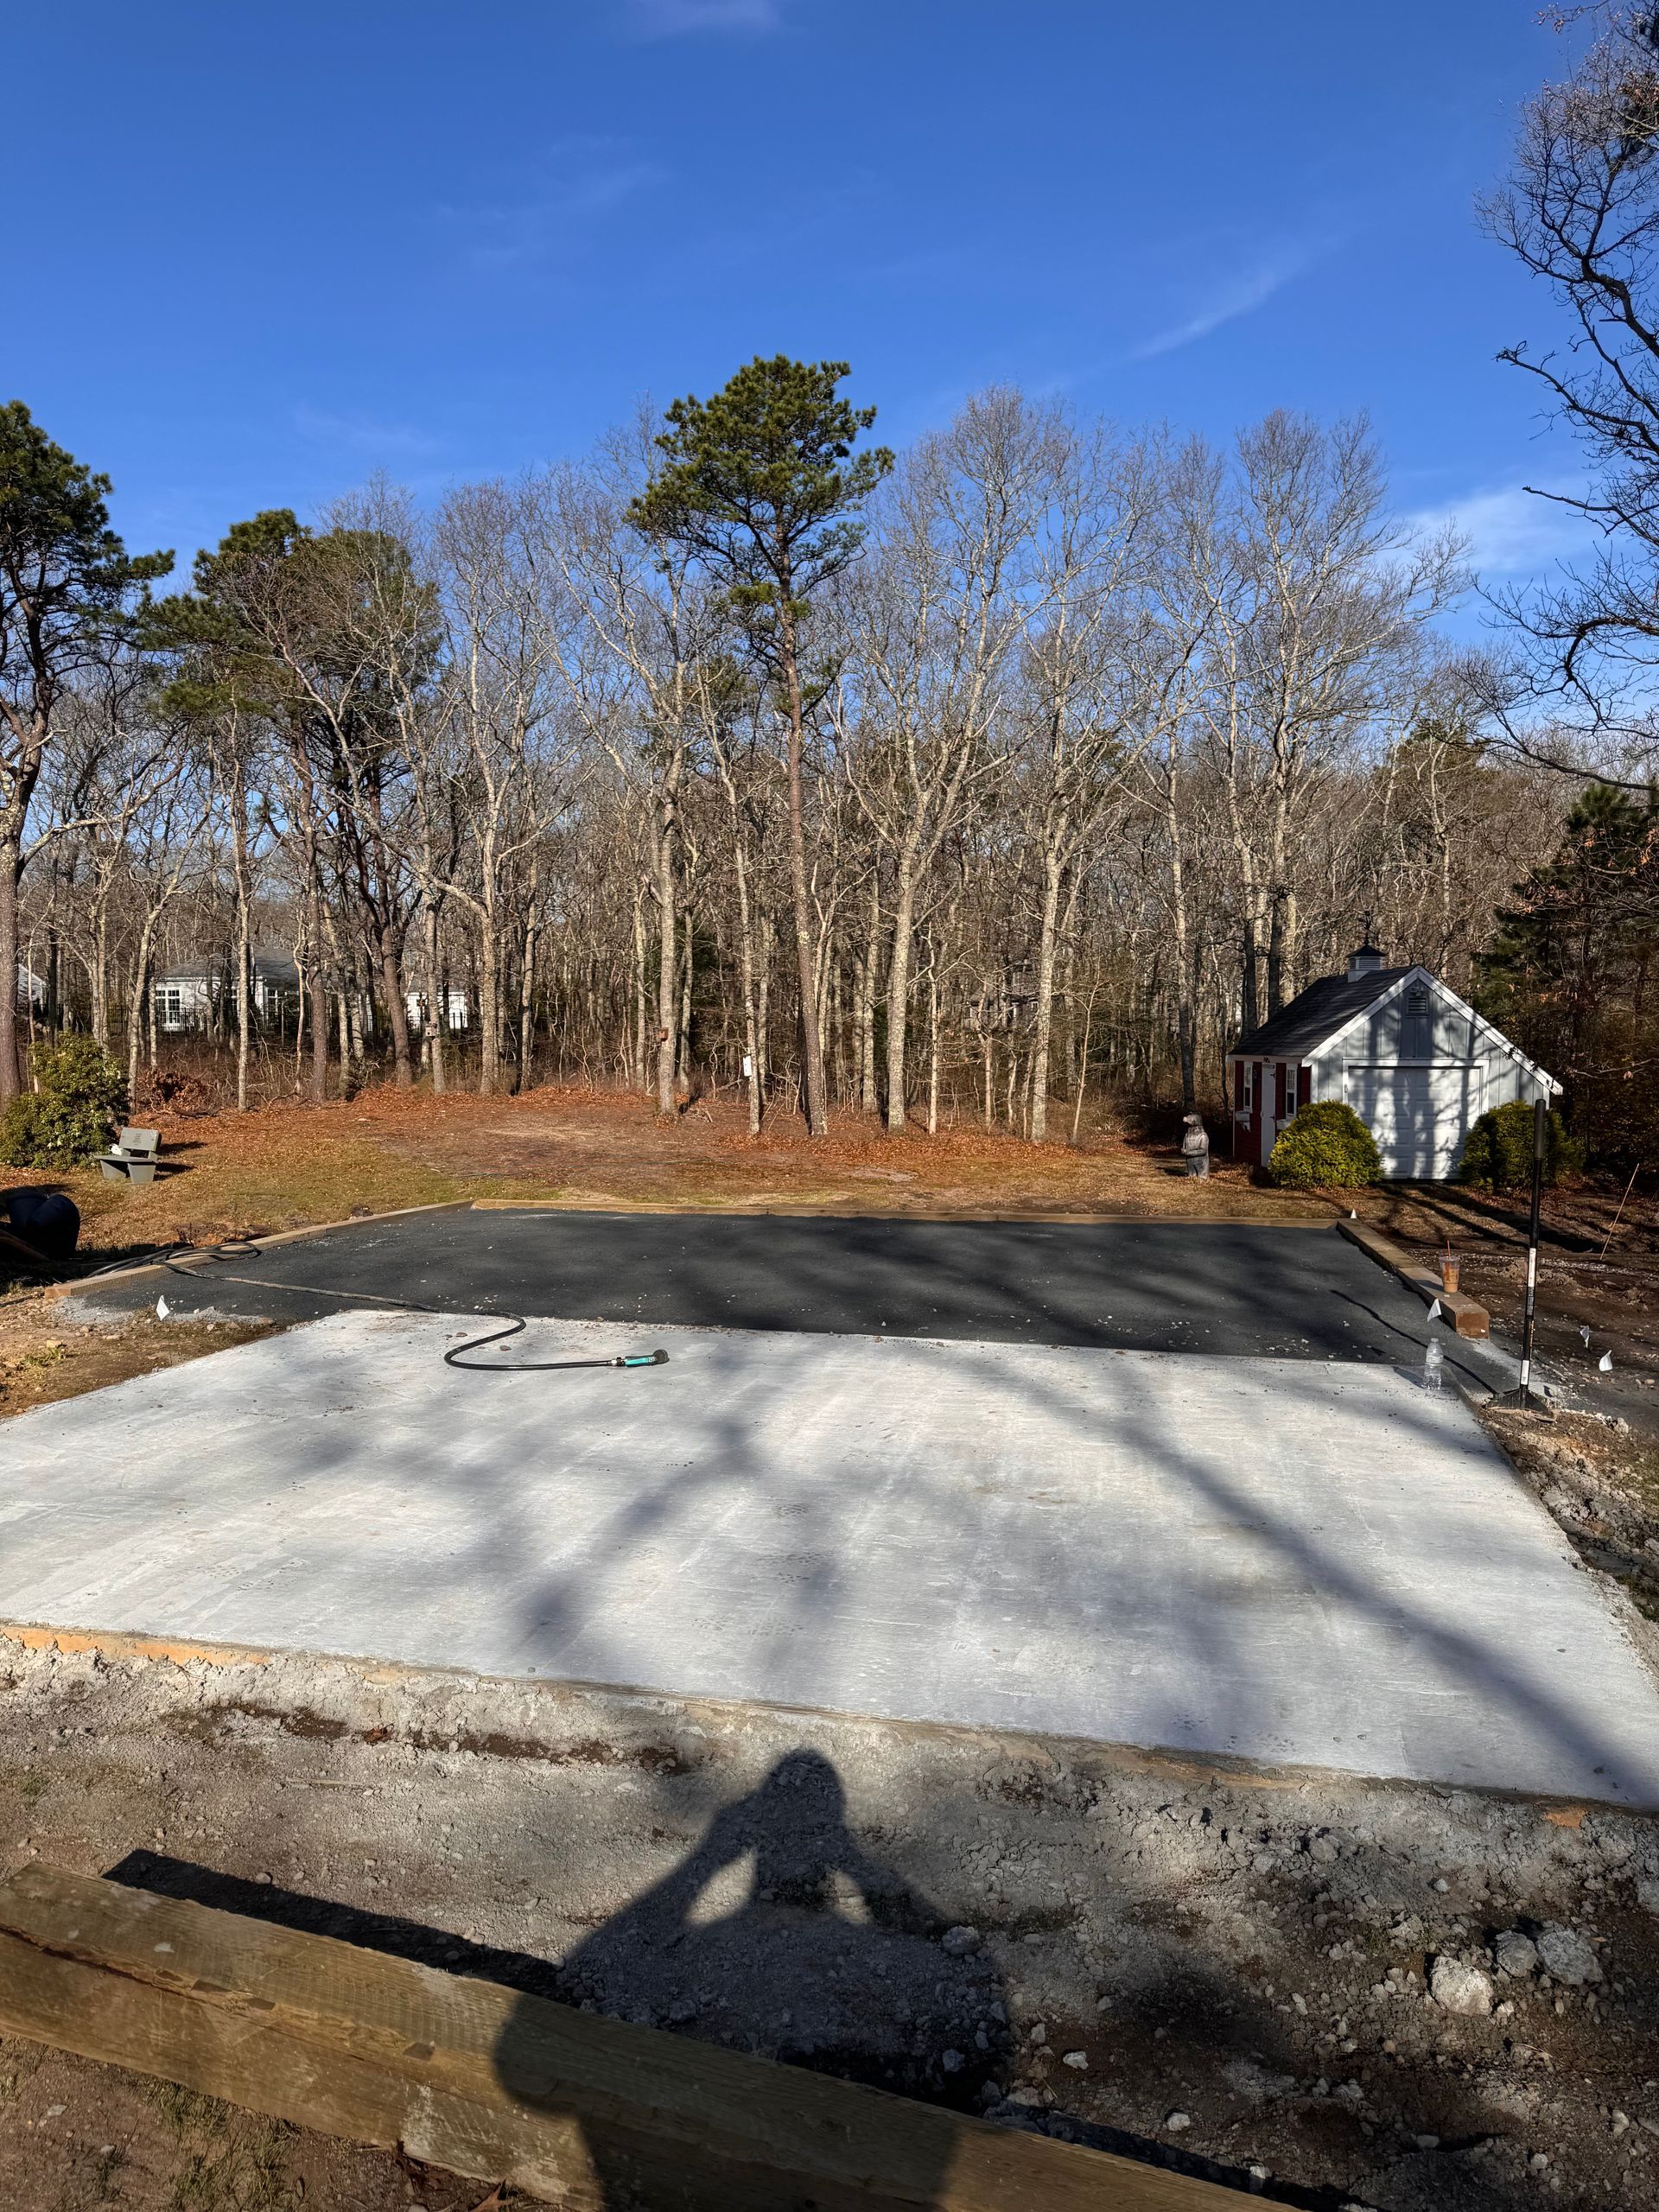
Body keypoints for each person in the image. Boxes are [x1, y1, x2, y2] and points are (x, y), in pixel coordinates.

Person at [1180, 1112, 1211, 1178]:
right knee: (1191, 1176)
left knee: (1201, 1177)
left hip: (1201, 1163)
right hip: (1190, 1161)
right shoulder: (1187, 1135)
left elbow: (1203, 1151)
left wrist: (1189, 1152)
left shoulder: (1203, 1135)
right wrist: (1184, 1150)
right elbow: (1184, 1146)